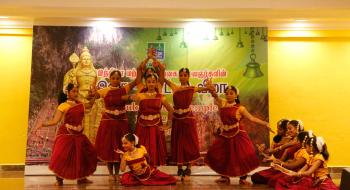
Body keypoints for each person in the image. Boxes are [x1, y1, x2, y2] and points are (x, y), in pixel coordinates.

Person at [205, 85, 274, 185]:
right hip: (225, 134)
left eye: (231, 93)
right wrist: (210, 88)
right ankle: (224, 176)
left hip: (238, 134)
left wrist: (265, 124)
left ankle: (243, 178)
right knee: (223, 155)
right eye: (227, 93)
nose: (228, 95)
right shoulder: (223, 103)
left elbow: (252, 119)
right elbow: (215, 95)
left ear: (236, 95)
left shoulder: (240, 108)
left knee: (242, 156)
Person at [38, 83, 97, 185]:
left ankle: (81, 178)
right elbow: (55, 121)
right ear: (67, 93)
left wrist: (95, 95)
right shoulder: (63, 105)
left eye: (76, 91)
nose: (76, 93)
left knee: (83, 156)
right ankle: (59, 179)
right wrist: (42, 124)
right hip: (66, 134)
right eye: (73, 91)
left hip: (79, 134)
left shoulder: (80, 104)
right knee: (61, 157)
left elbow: (90, 105)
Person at [164, 68, 211, 181]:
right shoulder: (175, 87)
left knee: (189, 143)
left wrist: (209, 86)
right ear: (179, 77)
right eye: (181, 75)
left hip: (188, 119)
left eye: (185, 75)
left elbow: (204, 88)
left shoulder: (192, 88)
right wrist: (160, 67)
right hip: (177, 119)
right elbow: (163, 79)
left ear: (188, 77)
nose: (183, 77)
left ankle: (188, 167)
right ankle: (180, 167)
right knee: (178, 142)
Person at [91, 70, 137, 182]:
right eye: (113, 78)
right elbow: (91, 98)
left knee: (119, 148)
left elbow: (137, 81)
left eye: (117, 78)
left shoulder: (124, 90)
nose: (115, 80)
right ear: (110, 79)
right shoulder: (104, 91)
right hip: (108, 122)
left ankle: (117, 173)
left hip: (121, 122)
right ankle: (110, 174)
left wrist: (142, 67)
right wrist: (92, 90)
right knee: (109, 148)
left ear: (120, 79)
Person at [131, 73, 173, 166]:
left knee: (154, 150)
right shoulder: (140, 95)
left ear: (156, 83)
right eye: (149, 82)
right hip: (142, 127)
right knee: (142, 148)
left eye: (153, 82)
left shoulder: (161, 97)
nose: (151, 84)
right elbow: (137, 81)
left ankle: (154, 172)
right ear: (145, 83)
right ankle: (141, 170)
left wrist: (168, 125)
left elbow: (170, 110)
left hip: (156, 127)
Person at [274, 136, 339, 190]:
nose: (305, 149)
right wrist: (288, 171)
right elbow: (303, 169)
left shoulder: (319, 158)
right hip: (314, 179)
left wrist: (295, 174)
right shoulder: (311, 157)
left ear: (311, 148)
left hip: (322, 180)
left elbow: (309, 172)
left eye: (306, 147)